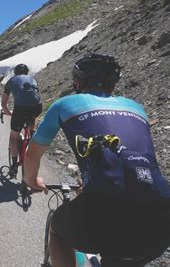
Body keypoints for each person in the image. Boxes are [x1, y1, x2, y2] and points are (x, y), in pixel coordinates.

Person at [24, 53, 170, 266]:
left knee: (57, 228)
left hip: (100, 212)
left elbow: (32, 153)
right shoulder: (137, 108)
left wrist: (31, 180)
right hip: (160, 217)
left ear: (77, 82)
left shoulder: (65, 104)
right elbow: (133, 158)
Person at [1, 63, 42, 177]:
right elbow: (36, 97)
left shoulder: (11, 81)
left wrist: (9, 113)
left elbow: (4, 103)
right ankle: (33, 133)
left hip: (20, 109)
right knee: (34, 116)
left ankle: (14, 164)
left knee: (14, 136)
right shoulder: (33, 80)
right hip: (37, 107)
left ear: (15, 73)